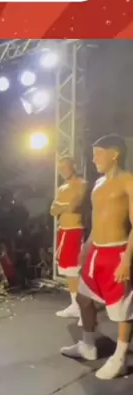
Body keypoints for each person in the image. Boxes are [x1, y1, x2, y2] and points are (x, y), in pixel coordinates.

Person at [61, 135, 133, 379]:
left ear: (115, 154)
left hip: (117, 251)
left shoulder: (128, 181)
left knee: (123, 309)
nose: (93, 160)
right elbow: (97, 220)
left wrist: (126, 260)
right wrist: (86, 248)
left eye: (98, 154)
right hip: (95, 251)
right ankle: (88, 344)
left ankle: (120, 358)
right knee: (83, 298)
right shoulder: (98, 184)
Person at [50, 155, 88, 321]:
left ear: (73, 166)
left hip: (75, 231)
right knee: (68, 271)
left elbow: (74, 207)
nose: (62, 171)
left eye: (65, 167)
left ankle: (84, 309)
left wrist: (61, 206)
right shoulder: (62, 188)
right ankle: (75, 305)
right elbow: (52, 210)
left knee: (76, 270)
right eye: (60, 169)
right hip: (63, 231)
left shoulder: (82, 183)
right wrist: (63, 206)